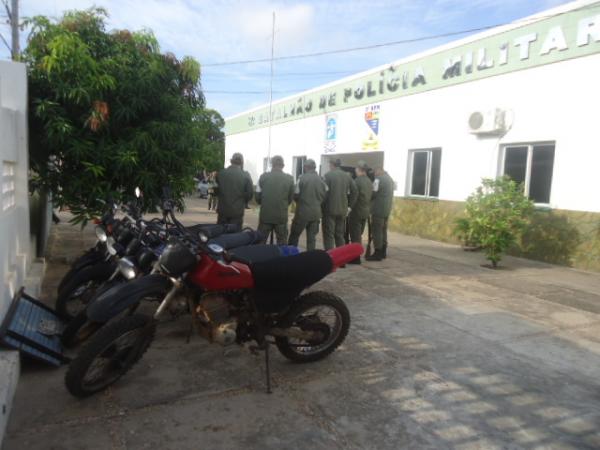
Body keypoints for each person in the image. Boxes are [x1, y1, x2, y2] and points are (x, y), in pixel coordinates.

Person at [288, 159, 327, 251]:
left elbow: (296, 194)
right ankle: (310, 259)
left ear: (306, 167)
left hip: (302, 213)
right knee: (311, 238)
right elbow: (326, 194)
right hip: (316, 213)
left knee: (294, 235)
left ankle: (292, 256)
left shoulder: (301, 178)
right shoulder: (321, 180)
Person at [255, 155, 295, 244]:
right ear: (283, 165)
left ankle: (260, 257)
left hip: (266, 215)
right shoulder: (289, 179)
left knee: (260, 242)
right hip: (281, 216)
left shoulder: (263, 177)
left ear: (272, 164)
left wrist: (265, 203)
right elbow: (290, 198)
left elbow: (257, 197)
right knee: (282, 242)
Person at [322, 158, 357, 250]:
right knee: (339, 234)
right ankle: (341, 259)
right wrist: (350, 206)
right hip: (343, 209)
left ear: (332, 164)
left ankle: (329, 258)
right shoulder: (347, 176)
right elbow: (355, 191)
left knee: (329, 234)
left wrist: (322, 206)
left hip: (329, 209)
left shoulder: (327, 176)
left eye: (330, 164)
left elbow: (323, 193)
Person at [216, 153, 253, 229]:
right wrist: (243, 200)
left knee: (220, 234)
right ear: (242, 162)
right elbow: (250, 194)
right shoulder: (245, 175)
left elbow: (216, 189)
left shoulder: (221, 173)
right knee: (235, 236)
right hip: (237, 211)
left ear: (231, 161)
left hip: (222, 210)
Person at [366, 167, 394, 261]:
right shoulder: (390, 179)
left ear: (379, 171)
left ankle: (377, 253)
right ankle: (383, 251)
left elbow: (373, 193)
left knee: (377, 231)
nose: (374, 174)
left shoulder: (378, 179)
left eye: (375, 172)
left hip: (378, 209)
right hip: (386, 209)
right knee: (383, 230)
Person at [347, 160, 373, 264]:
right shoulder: (369, 181)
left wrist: (349, 207)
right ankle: (356, 255)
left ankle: (355, 257)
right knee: (359, 234)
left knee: (355, 235)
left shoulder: (357, 181)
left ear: (359, 169)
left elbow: (354, 195)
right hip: (365, 211)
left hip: (356, 211)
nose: (355, 170)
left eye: (356, 169)